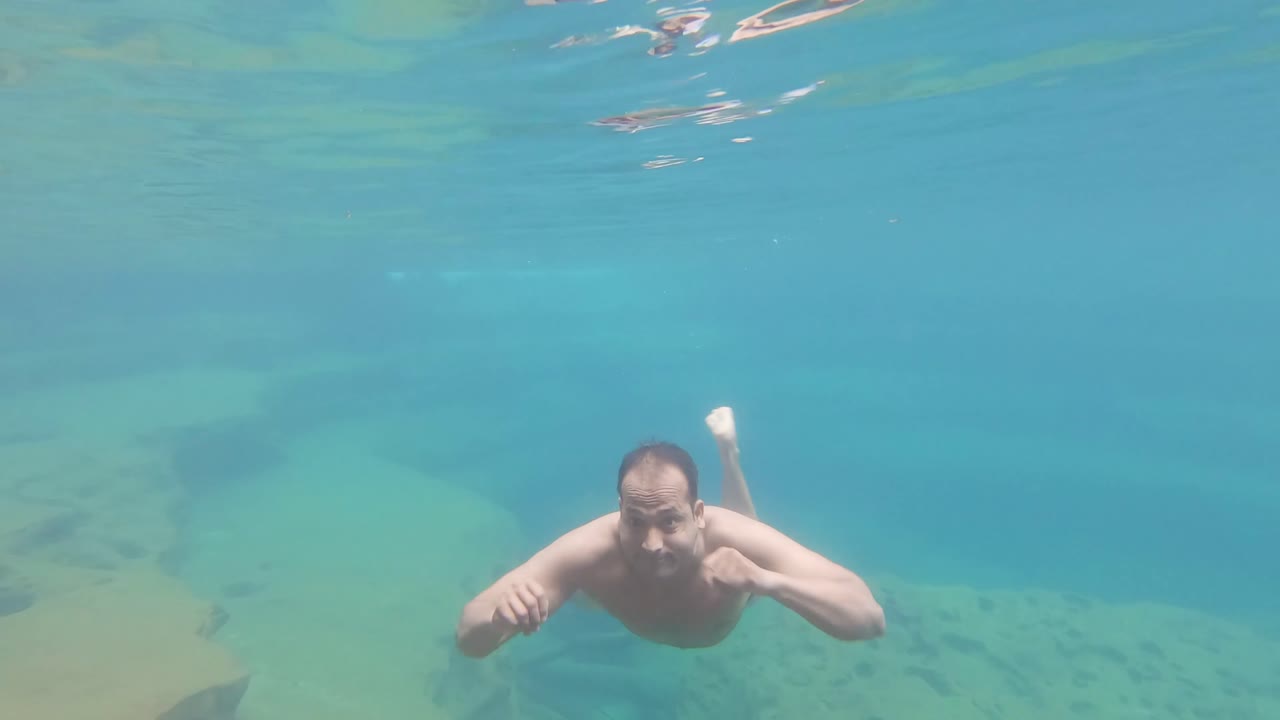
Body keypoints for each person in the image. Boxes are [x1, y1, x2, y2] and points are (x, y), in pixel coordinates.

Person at [455, 407, 885, 658]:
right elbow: (468, 636)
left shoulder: (731, 542)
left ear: (699, 513)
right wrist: (499, 620)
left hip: (737, 574)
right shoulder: (588, 551)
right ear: (619, 510)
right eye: (636, 521)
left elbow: (868, 619)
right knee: (586, 596)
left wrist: (766, 582)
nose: (651, 543)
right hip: (606, 596)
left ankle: (728, 453)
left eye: (670, 521)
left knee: (744, 539)